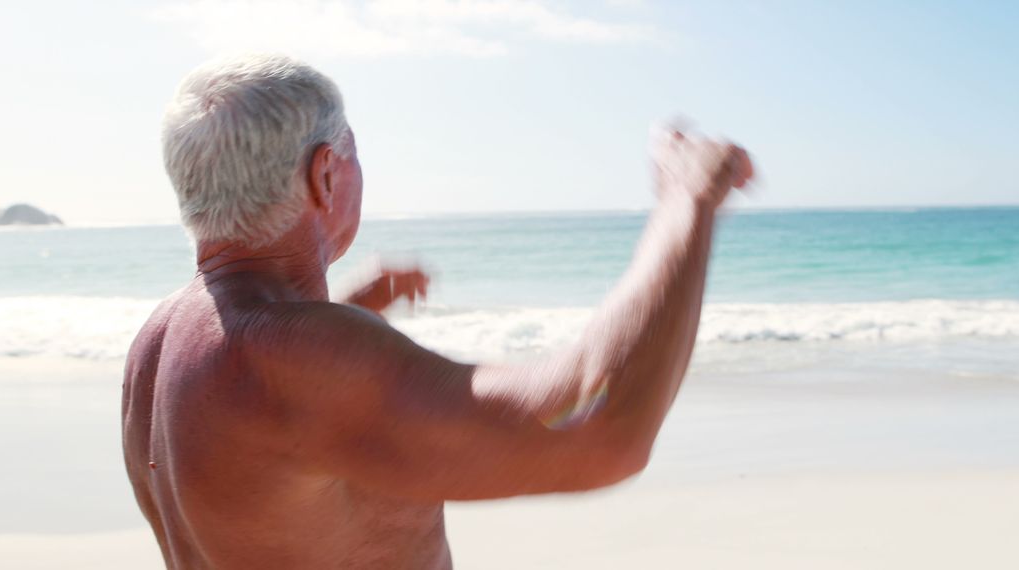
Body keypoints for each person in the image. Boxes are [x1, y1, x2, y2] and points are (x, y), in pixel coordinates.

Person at [122, 54, 754, 569]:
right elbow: (602, 429)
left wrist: (356, 310)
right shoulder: (294, 361)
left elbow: (272, 432)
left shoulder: (160, 343)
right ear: (326, 177)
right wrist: (687, 198)